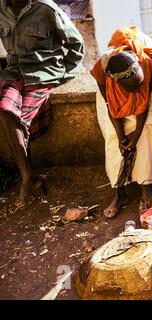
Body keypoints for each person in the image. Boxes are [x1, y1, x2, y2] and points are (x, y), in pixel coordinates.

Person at [0, 0, 84, 209]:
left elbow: (76, 44)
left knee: (20, 119)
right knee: (4, 109)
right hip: (13, 72)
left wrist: (62, 71)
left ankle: (27, 179)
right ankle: (28, 174)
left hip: (43, 73)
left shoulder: (46, 8)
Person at [91, 26, 152, 218]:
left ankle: (146, 186)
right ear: (116, 82)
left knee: (146, 132)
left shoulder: (148, 66)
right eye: (131, 87)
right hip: (113, 100)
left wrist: (135, 136)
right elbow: (111, 106)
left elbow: (142, 104)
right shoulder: (103, 70)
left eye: (138, 84)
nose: (136, 89)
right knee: (113, 139)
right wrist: (121, 136)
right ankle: (119, 192)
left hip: (150, 94)